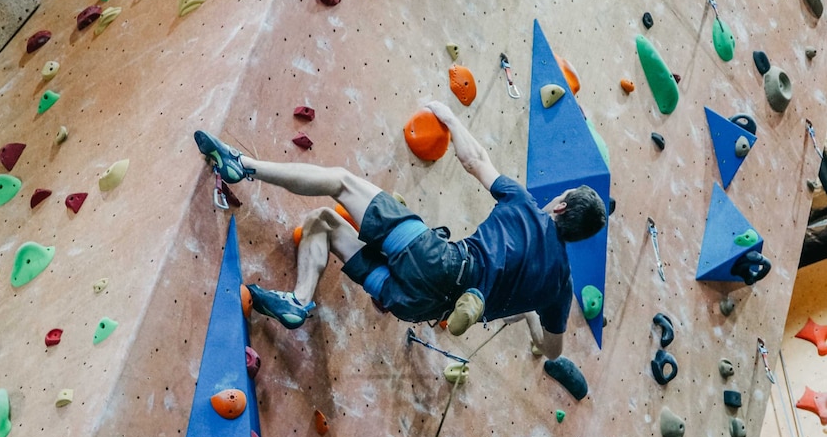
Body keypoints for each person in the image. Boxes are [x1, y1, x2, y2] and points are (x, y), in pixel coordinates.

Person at [193, 101, 606, 359]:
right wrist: (531, 310)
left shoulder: (525, 206)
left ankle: (241, 167)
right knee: (323, 223)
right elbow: (552, 352)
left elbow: (475, 160)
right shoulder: (560, 286)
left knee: (341, 182)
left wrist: (449, 117)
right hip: (420, 307)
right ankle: (299, 301)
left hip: (443, 262)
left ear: (562, 206)